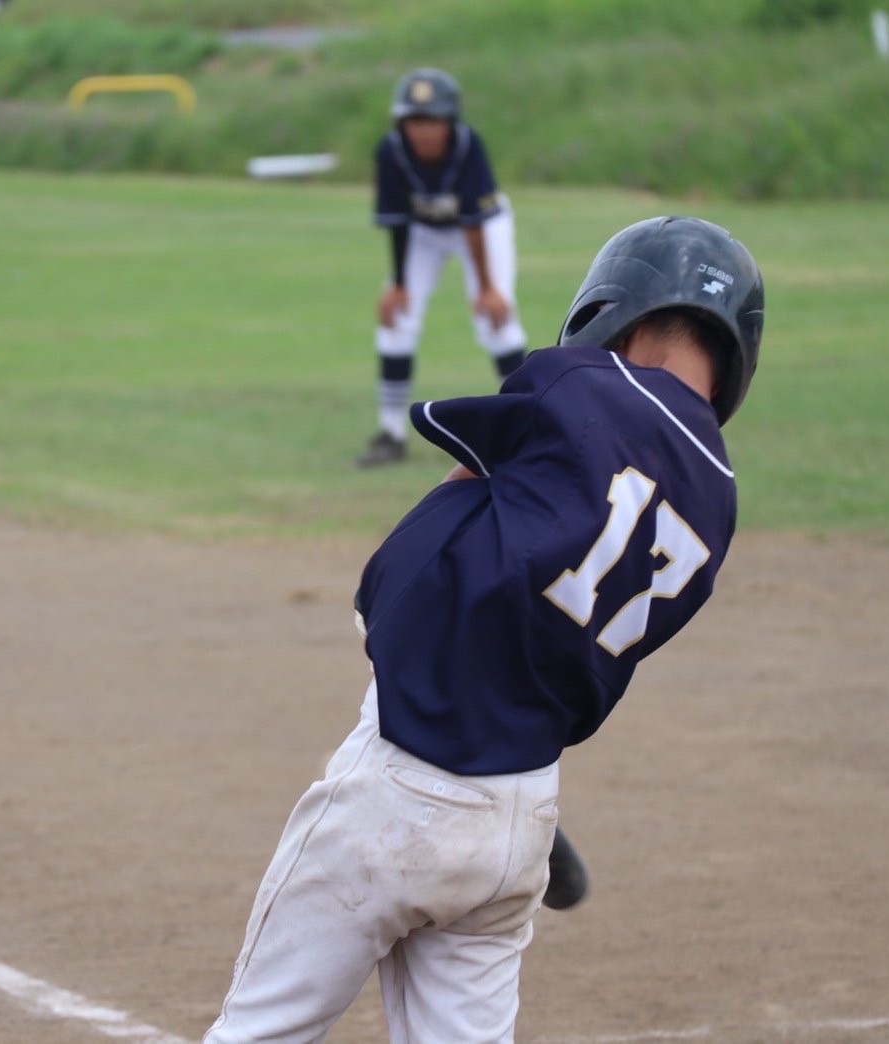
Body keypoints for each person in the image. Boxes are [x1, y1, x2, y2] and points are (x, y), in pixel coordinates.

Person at [205, 216, 766, 1042]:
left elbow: (464, 479)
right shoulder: (718, 502)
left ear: (624, 312)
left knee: (261, 1030)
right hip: (519, 818)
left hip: (398, 789)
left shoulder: (576, 382)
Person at [356, 67, 530, 468]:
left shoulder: (468, 145)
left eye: (433, 119)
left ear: (450, 120)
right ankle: (391, 433)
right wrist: (398, 284)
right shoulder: (391, 151)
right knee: (396, 319)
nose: (425, 130)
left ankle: (532, 428)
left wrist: (487, 288)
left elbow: (473, 221)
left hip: (483, 230)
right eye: (415, 119)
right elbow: (398, 221)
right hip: (424, 233)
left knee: (497, 320)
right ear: (402, 122)